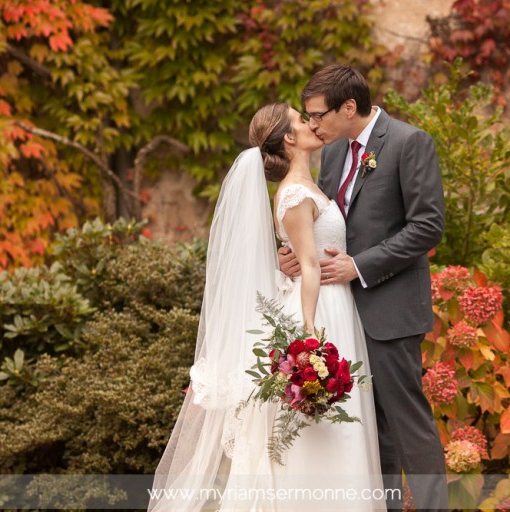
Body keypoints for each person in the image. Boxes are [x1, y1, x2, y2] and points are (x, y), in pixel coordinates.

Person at [148, 103, 385, 512]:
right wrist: (311, 332)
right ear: (289, 138)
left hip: (338, 307)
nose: (312, 123)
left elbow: (304, 256)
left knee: (342, 429)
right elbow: (308, 266)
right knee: (318, 434)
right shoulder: (294, 193)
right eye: (300, 120)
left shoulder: (312, 184)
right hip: (320, 312)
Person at [278, 65, 448, 511]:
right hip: (342, 315)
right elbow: (326, 222)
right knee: (371, 431)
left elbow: (428, 225)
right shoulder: (333, 153)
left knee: (407, 425)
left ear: (349, 107)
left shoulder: (409, 143)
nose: (312, 125)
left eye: (318, 115)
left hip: (389, 309)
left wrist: (362, 266)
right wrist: (296, 255)